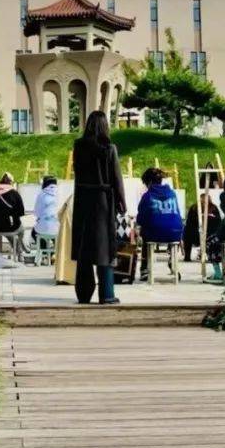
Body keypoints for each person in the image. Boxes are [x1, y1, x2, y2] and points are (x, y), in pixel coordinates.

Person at [71, 111, 126, 304]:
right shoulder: (109, 148)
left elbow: (77, 172)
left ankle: (83, 294)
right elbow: (117, 178)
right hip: (103, 201)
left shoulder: (78, 146)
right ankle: (107, 294)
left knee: (84, 248)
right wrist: (122, 202)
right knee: (105, 248)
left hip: (82, 200)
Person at [136, 167, 183, 278]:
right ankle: (172, 261)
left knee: (145, 232)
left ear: (149, 182)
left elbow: (141, 218)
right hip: (175, 232)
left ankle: (145, 269)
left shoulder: (147, 196)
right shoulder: (172, 194)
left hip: (154, 233)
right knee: (171, 228)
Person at [0, 172, 26, 259]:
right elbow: (21, 212)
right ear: (10, 182)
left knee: (9, 234)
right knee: (21, 230)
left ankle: (17, 248)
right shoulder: (14, 193)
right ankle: (19, 250)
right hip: (12, 226)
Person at [183, 192, 221, 262]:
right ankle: (187, 256)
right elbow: (189, 222)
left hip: (207, 233)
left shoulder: (213, 208)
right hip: (198, 234)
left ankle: (188, 256)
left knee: (187, 232)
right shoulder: (194, 208)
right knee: (187, 231)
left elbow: (218, 221)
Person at [32, 175, 60, 241]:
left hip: (43, 228)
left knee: (34, 233)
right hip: (57, 228)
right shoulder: (59, 193)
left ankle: (42, 247)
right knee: (54, 232)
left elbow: (37, 213)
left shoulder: (41, 194)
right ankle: (55, 246)